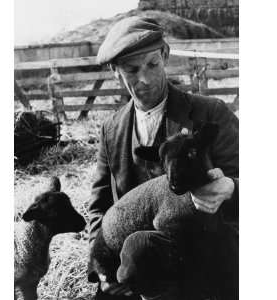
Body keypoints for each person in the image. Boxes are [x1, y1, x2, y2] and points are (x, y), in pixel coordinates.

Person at [88, 16, 238, 300]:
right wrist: (103, 270)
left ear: (165, 55)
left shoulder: (210, 113)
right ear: (115, 70)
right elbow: (99, 206)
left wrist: (230, 187)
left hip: (204, 264)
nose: (144, 79)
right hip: (134, 273)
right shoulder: (111, 129)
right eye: (131, 70)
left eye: (152, 65)